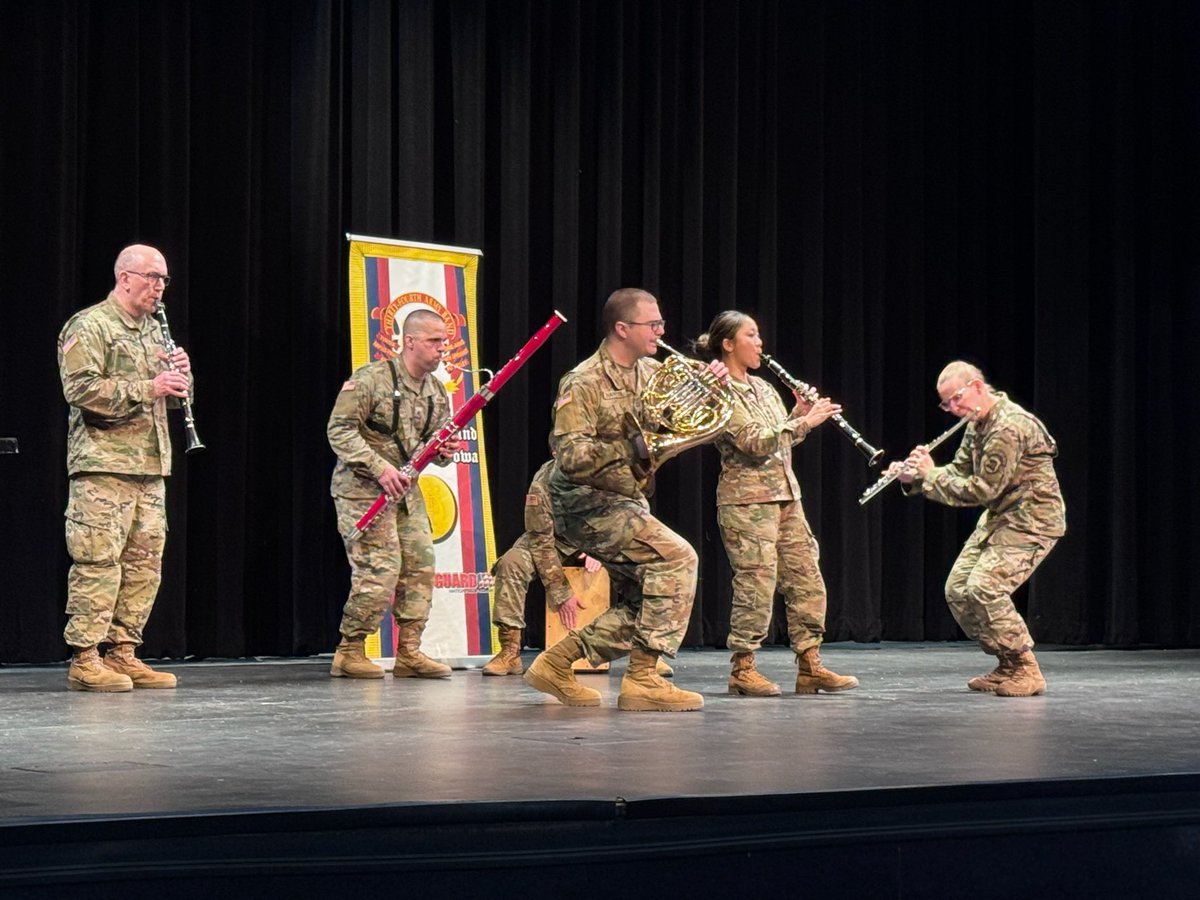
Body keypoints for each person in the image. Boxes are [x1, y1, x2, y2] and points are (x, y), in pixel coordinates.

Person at [523, 288, 725, 711]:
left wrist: (710, 390)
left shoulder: (651, 373)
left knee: (648, 596)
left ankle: (557, 664)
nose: (661, 331)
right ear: (622, 329)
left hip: (624, 500)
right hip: (583, 502)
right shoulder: (584, 382)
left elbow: (680, 424)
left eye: (661, 324)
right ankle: (643, 679)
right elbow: (571, 457)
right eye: (652, 325)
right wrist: (630, 447)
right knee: (677, 559)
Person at [693, 311, 859, 697]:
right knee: (756, 583)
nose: (760, 342)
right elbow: (753, 442)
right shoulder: (718, 394)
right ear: (729, 344)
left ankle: (810, 664)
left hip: (786, 497)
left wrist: (798, 414)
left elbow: (780, 440)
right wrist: (805, 422)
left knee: (806, 577)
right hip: (746, 503)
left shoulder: (765, 389)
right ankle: (743, 667)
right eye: (751, 335)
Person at [57, 244, 191, 691]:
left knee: (144, 565)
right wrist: (149, 386)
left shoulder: (156, 331)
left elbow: (159, 399)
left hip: (150, 465)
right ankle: (86, 657)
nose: (159, 287)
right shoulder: (89, 325)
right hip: (102, 465)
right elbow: (81, 390)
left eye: (164, 279)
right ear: (125, 277)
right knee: (98, 561)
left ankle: (122, 651)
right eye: (152, 277)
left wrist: (179, 385)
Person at [894, 361, 1065, 697]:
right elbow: (958, 470)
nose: (953, 409)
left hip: (1033, 521)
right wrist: (912, 478)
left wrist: (930, 475)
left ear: (975, 385)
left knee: (985, 587)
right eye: (946, 404)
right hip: (1001, 519)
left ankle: (1026, 668)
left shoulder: (1008, 427)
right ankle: (1006, 663)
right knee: (958, 590)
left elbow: (981, 490)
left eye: (956, 399)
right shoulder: (976, 422)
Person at [326, 307, 462, 680]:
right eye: (434, 341)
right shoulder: (372, 379)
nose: (441, 350)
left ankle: (410, 652)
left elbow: (432, 448)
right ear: (410, 341)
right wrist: (378, 468)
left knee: (420, 567)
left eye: (444, 342)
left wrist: (444, 454)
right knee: (380, 571)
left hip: (406, 492)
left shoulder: (436, 391)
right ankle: (349, 650)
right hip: (362, 491)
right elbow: (339, 431)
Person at [483, 457, 673, 677]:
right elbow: (540, 540)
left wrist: (601, 547)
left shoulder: (611, 470)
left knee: (647, 566)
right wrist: (561, 592)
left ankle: (646, 653)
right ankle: (510, 652)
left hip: (603, 535)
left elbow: (636, 515)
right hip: (555, 541)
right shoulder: (544, 480)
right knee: (511, 563)